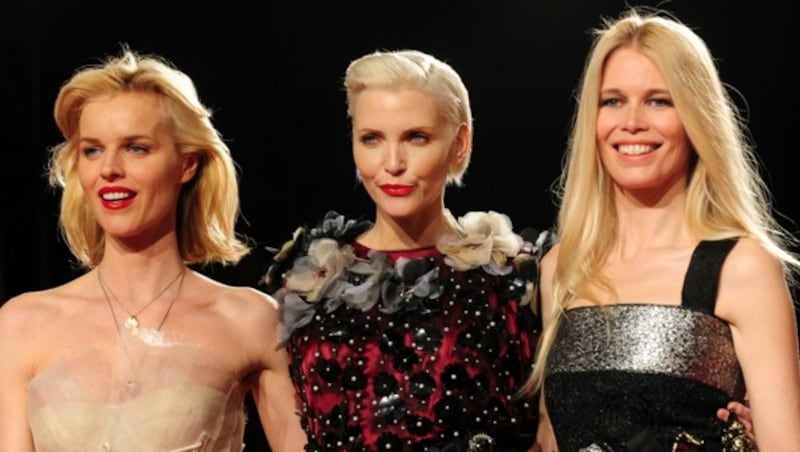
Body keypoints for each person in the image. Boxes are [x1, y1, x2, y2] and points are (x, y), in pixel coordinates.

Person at [0, 48, 306, 451]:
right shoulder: (22, 324)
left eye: (136, 148)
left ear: (187, 164)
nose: (109, 169)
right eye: (93, 150)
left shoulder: (251, 320)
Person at [526, 7, 800, 451]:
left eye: (660, 100)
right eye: (612, 100)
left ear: (696, 119)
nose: (631, 121)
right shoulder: (562, 268)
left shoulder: (742, 268)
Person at [262, 49, 548, 451]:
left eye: (416, 137)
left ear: (459, 143)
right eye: (372, 139)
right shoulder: (312, 280)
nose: (393, 163)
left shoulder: (513, 278)